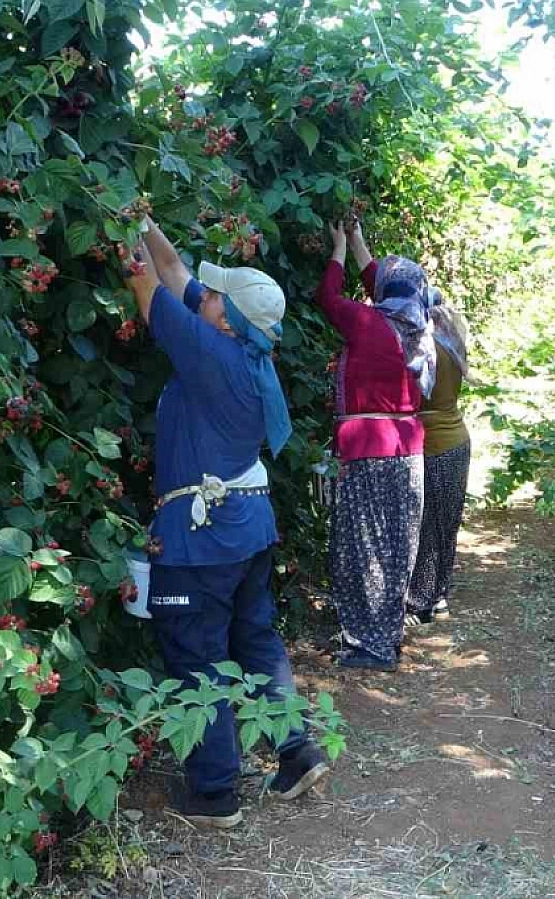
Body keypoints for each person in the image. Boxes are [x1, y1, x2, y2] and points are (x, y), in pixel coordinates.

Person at [121, 218, 332, 830]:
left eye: (214, 295)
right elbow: (178, 274)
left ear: (224, 317)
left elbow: (147, 284)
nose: (203, 293)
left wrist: (122, 241)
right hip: (248, 528)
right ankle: (296, 752)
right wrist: (147, 223)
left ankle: (215, 794)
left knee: (196, 656)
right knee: (256, 639)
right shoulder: (246, 348)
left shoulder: (208, 352)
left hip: (201, 538)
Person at [316, 219, 435, 671]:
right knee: (395, 547)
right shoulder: (419, 326)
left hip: (369, 451)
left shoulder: (368, 324)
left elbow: (328, 299)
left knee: (362, 546)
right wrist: (362, 243)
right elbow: (383, 287)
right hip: (408, 451)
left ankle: (370, 645)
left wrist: (340, 249)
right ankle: (387, 636)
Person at [406, 284, 471, 624]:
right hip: (457, 439)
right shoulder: (454, 342)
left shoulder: (424, 349)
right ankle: (440, 594)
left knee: (425, 525)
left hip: (432, 443)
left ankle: (420, 601)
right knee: (446, 522)